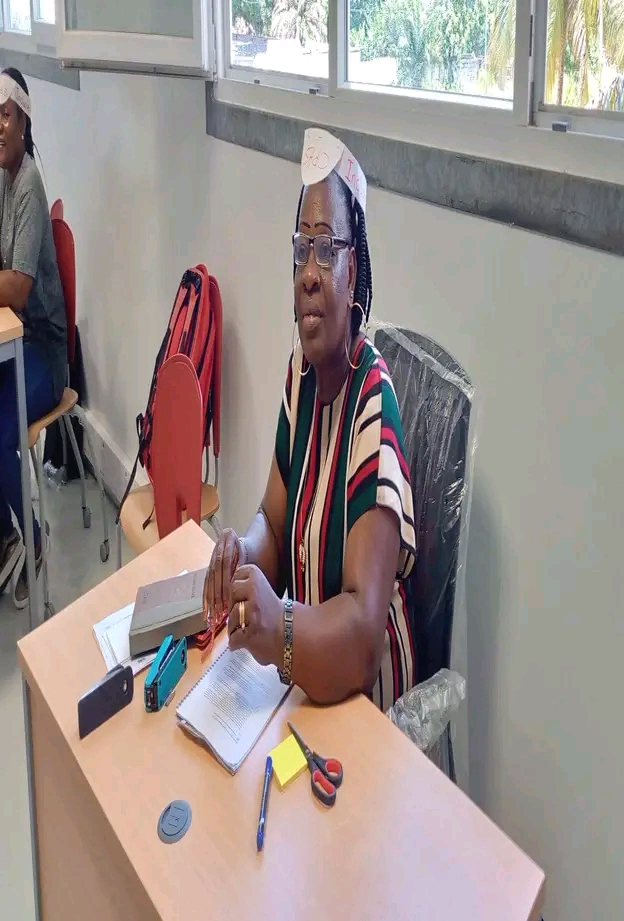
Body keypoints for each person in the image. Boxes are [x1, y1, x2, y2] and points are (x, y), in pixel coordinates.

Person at [204, 129, 416, 710]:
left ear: (354, 270)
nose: (309, 273)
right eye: (302, 249)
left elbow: (363, 636)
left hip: (365, 704)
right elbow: (273, 525)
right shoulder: (301, 375)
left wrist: (281, 628)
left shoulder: (373, 407)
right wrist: (241, 556)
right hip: (305, 679)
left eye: (327, 249)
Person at [0, 68, 66, 607]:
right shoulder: (4, 177)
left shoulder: (28, 185)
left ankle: (33, 540)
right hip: (15, 346)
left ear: (24, 121)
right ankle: (4, 535)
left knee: (1, 429)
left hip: (43, 352)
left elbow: (18, 287)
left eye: (4, 115)